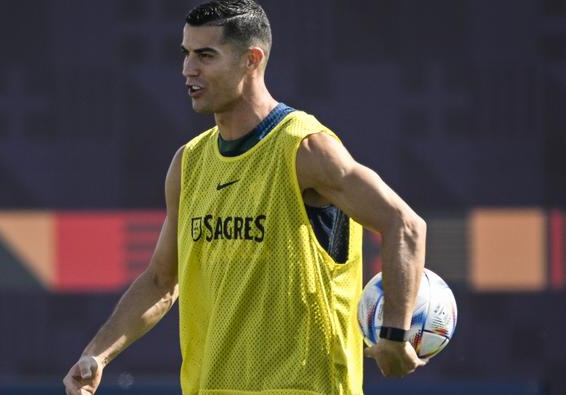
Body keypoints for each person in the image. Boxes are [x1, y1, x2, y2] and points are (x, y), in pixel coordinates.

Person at [63, 1, 427, 394]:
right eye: (186, 54)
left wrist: (393, 332)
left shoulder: (304, 148)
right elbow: (160, 280)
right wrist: (97, 355)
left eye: (205, 55)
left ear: (251, 60)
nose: (188, 69)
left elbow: (403, 224)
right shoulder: (190, 163)